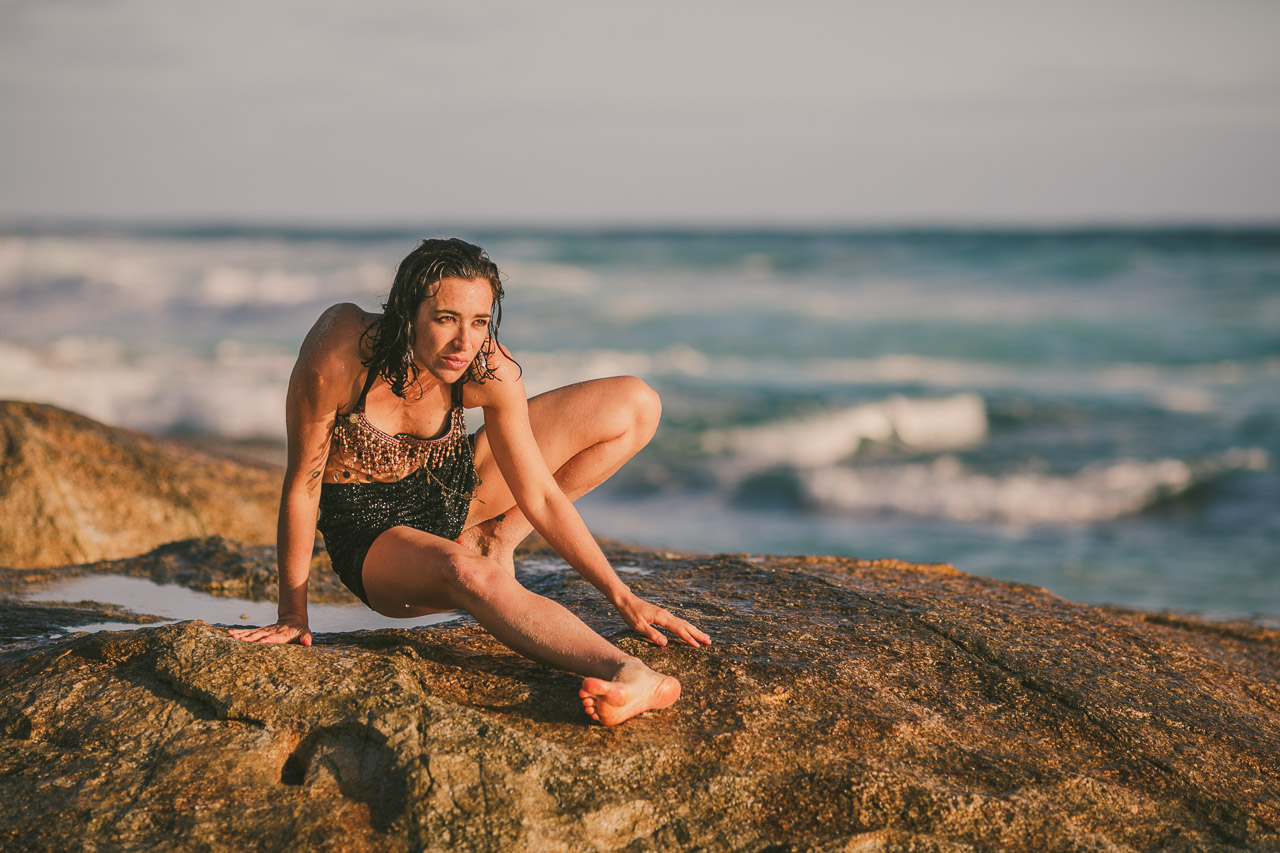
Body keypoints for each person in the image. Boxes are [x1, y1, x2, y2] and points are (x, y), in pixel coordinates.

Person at [229, 238, 709, 726]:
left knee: (635, 404)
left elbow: (539, 493)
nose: (465, 343)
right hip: (375, 539)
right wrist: (293, 614)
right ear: (405, 311)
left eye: (479, 322)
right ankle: (629, 672)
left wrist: (621, 595)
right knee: (467, 574)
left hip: (455, 494)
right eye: (445, 319)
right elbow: (303, 486)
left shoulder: (487, 366)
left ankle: (492, 539)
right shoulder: (341, 353)